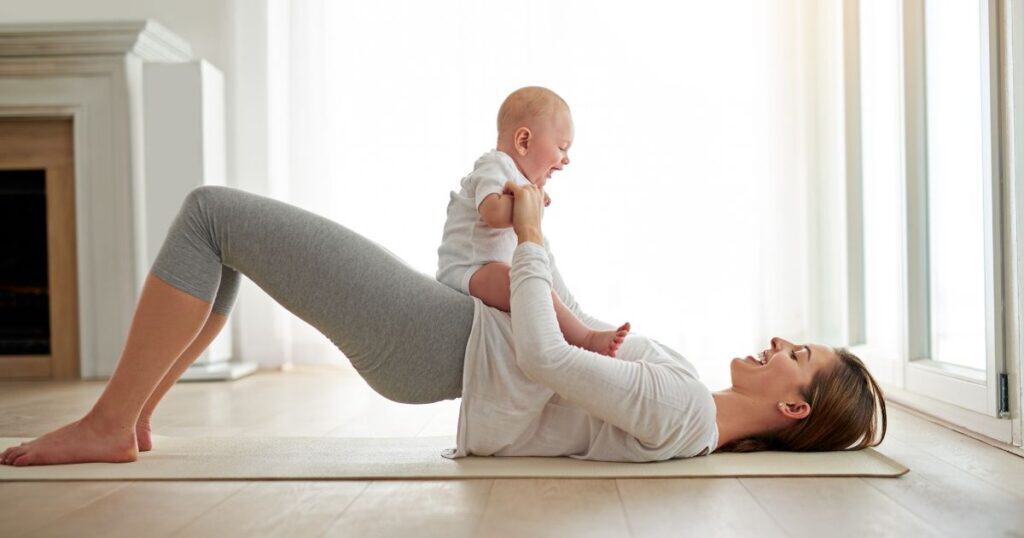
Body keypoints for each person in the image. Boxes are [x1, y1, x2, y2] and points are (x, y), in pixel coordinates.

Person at [0, 181, 885, 466]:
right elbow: (560, 334)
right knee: (226, 237)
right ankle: (134, 418)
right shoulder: (687, 391)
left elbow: (541, 354)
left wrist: (533, 231)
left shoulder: (686, 415)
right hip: (452, 337)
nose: (776, 342)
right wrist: (519, 243)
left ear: (796, 409)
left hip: (439, 344)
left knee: (209, 216)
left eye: (794, 356)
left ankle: (112, 423)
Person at [437, 86, 630, 357]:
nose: (566, 159)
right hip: (466, 270)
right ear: (524, 142)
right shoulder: (495, 165)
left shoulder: (519, 178)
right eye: (562, 148)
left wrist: (531, 196)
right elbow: (492, 212)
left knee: (535, 282)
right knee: (528, 284)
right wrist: (529, 203)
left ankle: (578, 333)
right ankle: (584, 337)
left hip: (487, 268)